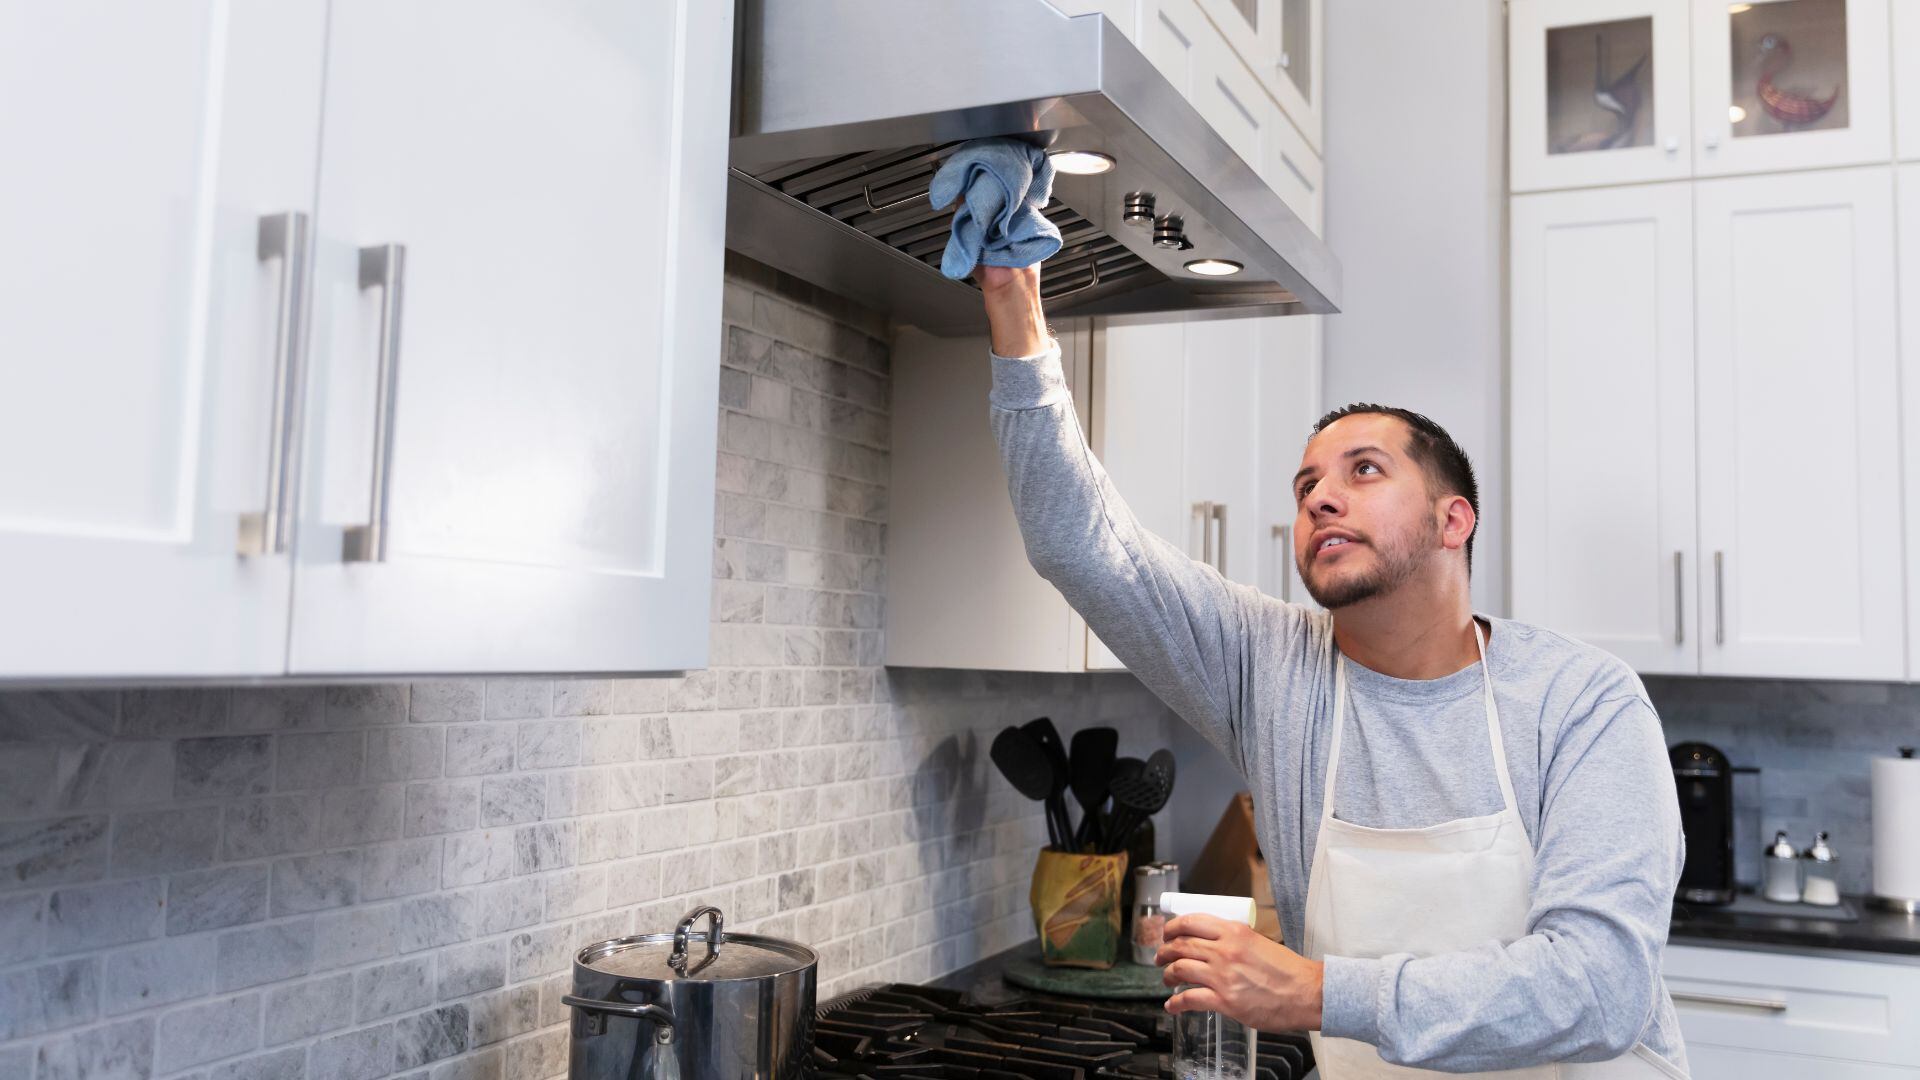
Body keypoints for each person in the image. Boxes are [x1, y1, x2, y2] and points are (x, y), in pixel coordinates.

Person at [976, 262, 1689, 1078]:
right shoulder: (1270, 669)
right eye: (1307, 484)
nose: (1319, 499)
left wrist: (1320, 992)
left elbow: (1599, 987)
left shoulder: (1580, 702)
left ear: (1452, 519)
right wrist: (1013, 302)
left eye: (1365, 471)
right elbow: (1081, 544)